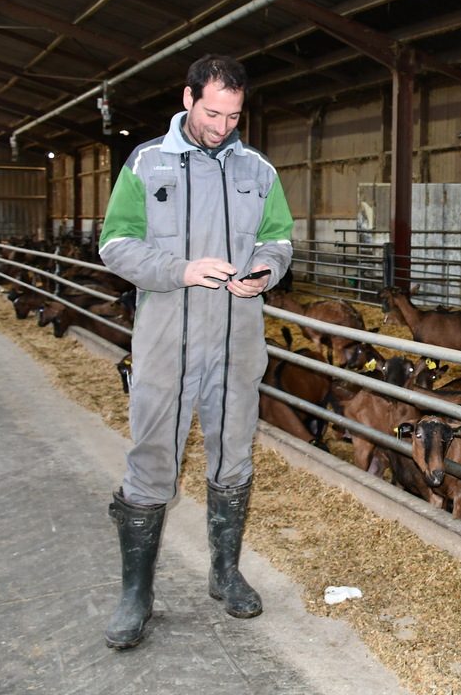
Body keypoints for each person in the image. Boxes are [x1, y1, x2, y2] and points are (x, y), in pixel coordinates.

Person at [97, 53, 293, 650]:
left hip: (236, 342)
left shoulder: (258, 170)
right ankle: (137, 593)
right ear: (187, 99)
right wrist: (181, 270)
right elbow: (115, 245)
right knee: (152, 460)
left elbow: (279, 237)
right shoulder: (147, 163)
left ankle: (225, 573)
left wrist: (264, 271)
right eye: (213, 112)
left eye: (234, 115)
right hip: (165, 341)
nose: (223, 125)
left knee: (234, 457)